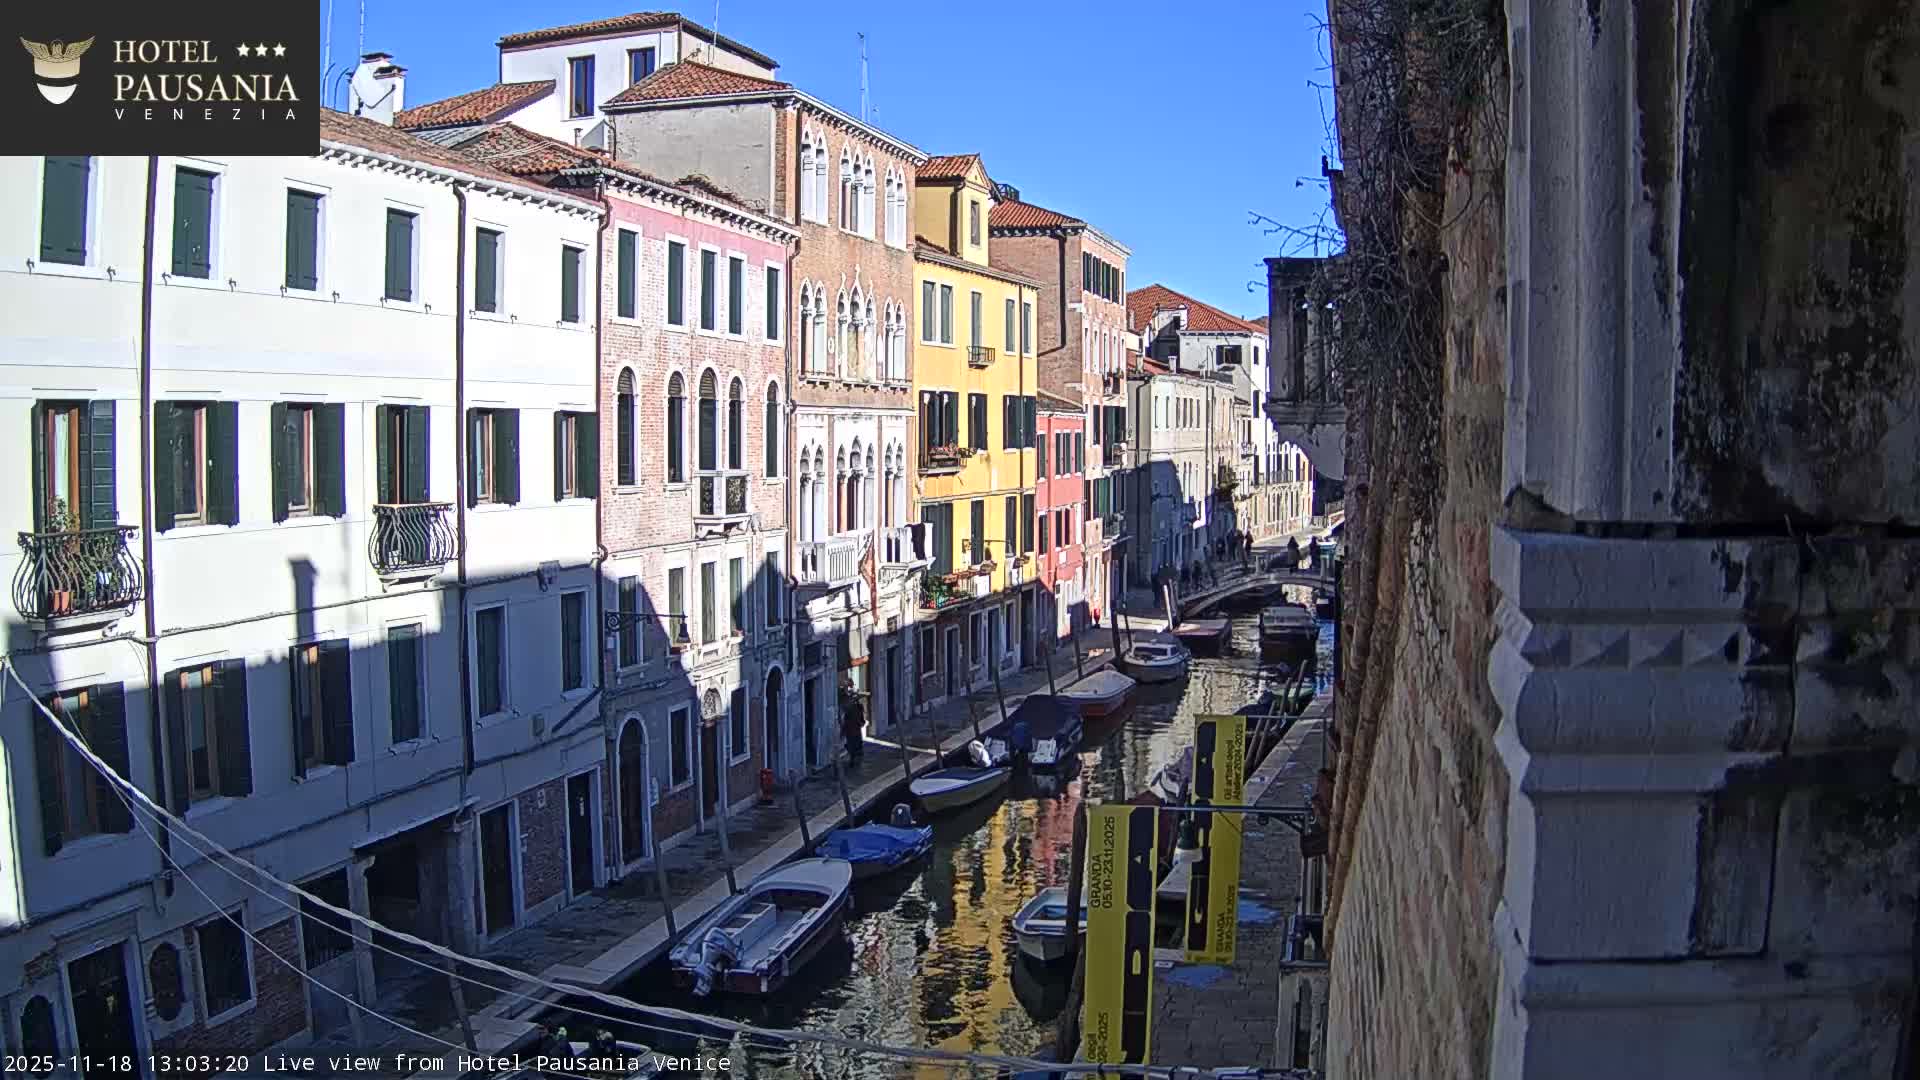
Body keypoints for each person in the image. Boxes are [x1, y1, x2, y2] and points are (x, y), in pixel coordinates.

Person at [841, 695, 866, 765]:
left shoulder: (856, 708)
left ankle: (854, 757)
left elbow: (860, 717)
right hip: (853, 729)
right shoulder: (852, 708)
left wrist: (843, 731)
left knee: (853, 743)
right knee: (853, 743)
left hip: (853, 729)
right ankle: (853, 757)